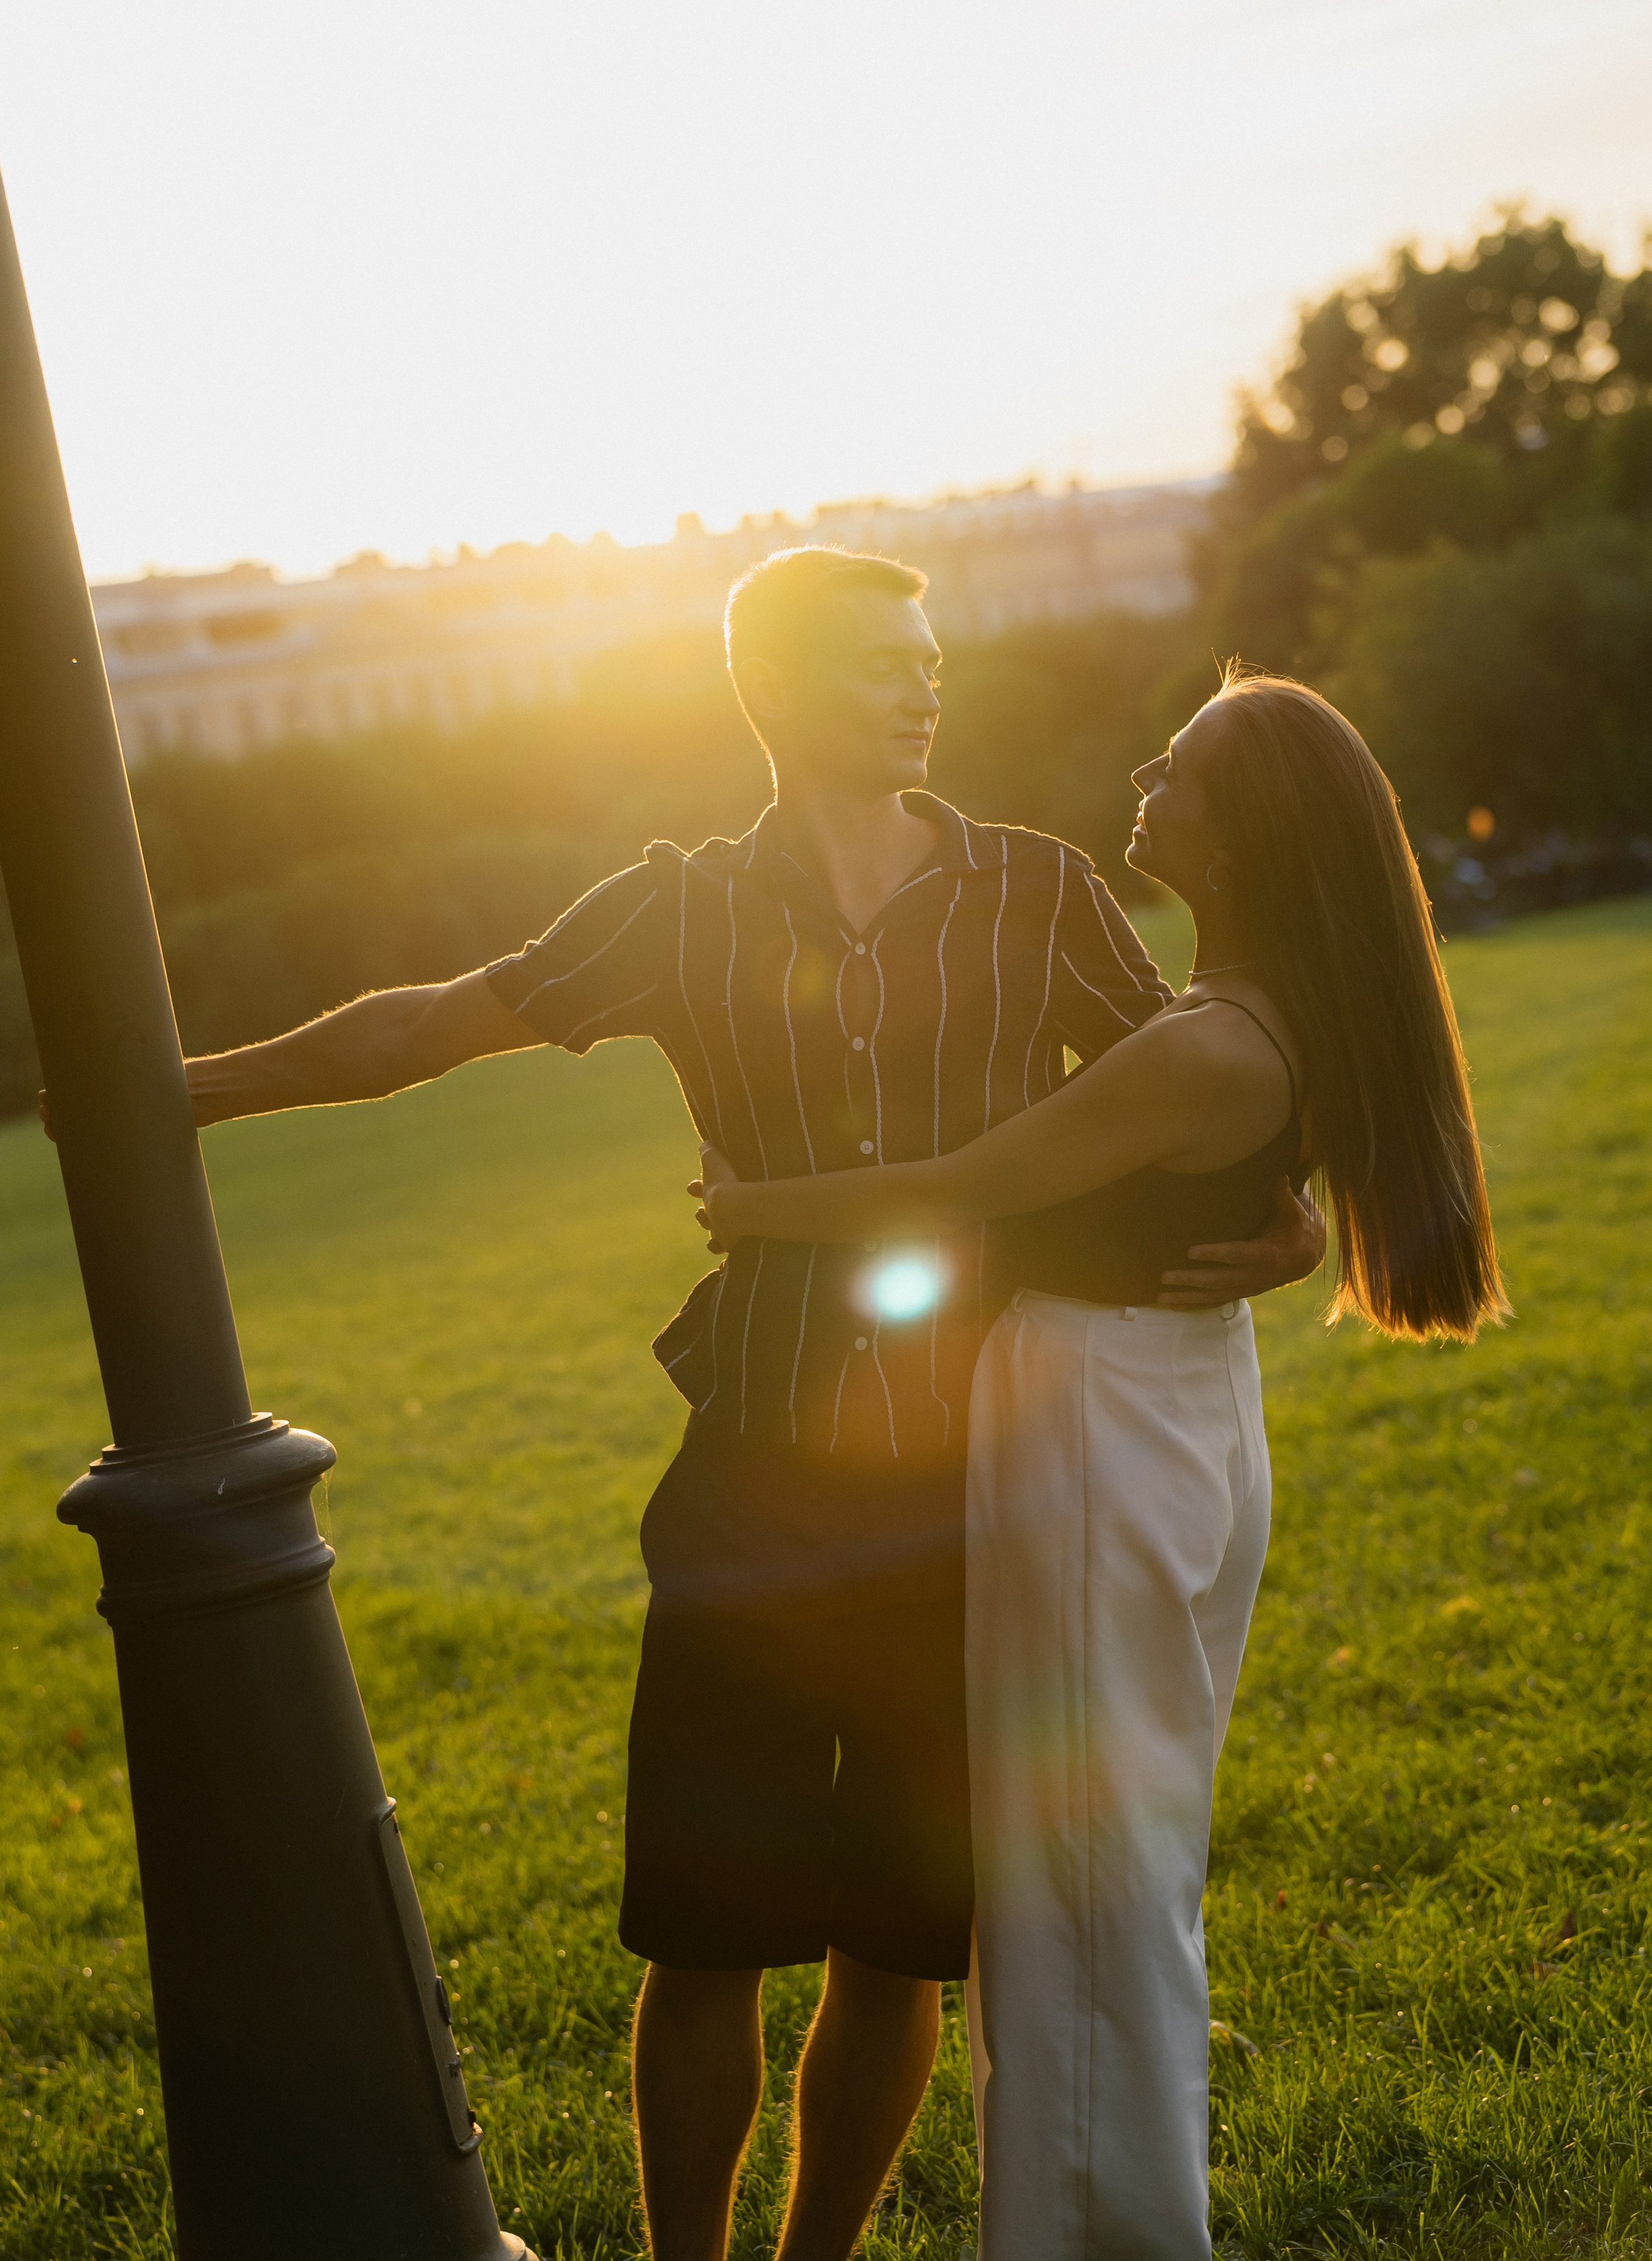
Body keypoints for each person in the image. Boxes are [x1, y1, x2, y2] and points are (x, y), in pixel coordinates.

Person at [172, 550, 1323, 2261]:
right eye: (874, 662)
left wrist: (1293, 1222)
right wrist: (171, 1086)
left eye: (927, 658)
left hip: (986, 1490)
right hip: (753, 1489)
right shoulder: (677, 905)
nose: (919, 688)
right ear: (770, 692)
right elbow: (426, 1024)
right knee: (702, 1937)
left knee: (900, 1941)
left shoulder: (1042, 889)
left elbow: (1194, 1095)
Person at [693, 666, 1508, 2261]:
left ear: (1242, 836)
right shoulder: (1231, 1022)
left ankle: (1106, 2238)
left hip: (1104, 1428)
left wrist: (754, 1206)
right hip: (1155, 1409)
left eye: (1183, 766)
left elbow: (967, 1188)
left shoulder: (1207, 1047)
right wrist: (1279, 1236)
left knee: (1079, 1877)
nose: (1147, 771)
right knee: (1106, 1862)